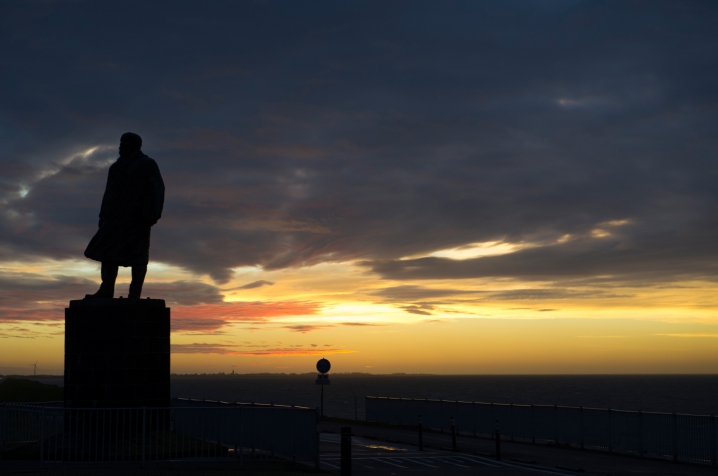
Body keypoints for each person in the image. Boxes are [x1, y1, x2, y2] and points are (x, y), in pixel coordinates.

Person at [84, 132, 164, 300]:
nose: (121, 146)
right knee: (107, 254)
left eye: (125, 143)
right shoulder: (115, 167)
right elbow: (109, 193)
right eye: (120, 143)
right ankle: (106, 289)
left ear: (136, 145)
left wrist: (152, 214)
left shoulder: (147, 164)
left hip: (137, 219)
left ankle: (134, 294)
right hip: (114, 218)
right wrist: (103, 215)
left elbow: (157, 189)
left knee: (138, 256)